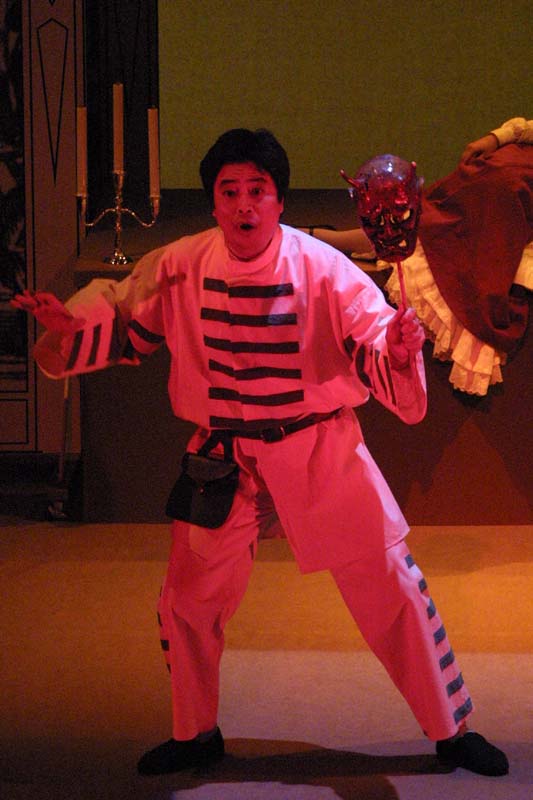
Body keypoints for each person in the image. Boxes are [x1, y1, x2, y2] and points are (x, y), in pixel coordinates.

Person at [11, 128, 508, 778]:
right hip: (223, 457)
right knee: (187, 601)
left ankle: (450, 729)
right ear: (214, 201)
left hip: (319, 449)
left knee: (392, 588)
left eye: (258, 190)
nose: (244, 205)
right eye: (229, 192)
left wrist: (395, 344)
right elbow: (125, 314)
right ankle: (194, 732)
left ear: (278, 199)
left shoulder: (323, 267)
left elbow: (373, 332)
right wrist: (71, 327)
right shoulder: (180, 264)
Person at [302, 118, 533, 395]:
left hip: (515, 195)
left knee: (493, 200)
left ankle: (327, 247)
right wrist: (497, 138)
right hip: (510, 169)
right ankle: (323, 239)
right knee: (442, 214)